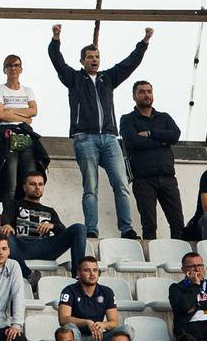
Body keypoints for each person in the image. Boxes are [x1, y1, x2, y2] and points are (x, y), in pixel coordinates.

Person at [47, 24, 151, 240]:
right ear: (82, 61)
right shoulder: (74, 78)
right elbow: (57, 61)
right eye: (90, 57)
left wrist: (144, 42)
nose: (94, 60)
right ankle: (92, 229)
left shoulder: (108, 78)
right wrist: (56, 38)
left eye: (97, 56)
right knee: (90, 187)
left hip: (110, 139)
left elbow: (130, 63)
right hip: (85, 138)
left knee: (121, 185)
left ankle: (127, 229)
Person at [117, 82, 181, 241]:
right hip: (143, 179)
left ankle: (181, 258)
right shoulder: (127, 119)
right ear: (134, 96)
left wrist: (151, 133)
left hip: (167, 177)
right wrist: (162, 141)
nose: (146, 95)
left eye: (149, 91)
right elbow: (133, 142)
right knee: (149, 224)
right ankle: (151, 261)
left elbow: (175, 135)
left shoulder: (164, 117)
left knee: (177, 222)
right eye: (142, 92)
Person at [0, 53, 47, 212]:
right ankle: (8, 218)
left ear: (21, 68)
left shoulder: (28, 90)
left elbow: (34, 112)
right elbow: (0, 114)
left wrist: (11, 110)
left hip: (25, 135)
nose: (13, 68)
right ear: (4, 69)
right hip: (7, 136)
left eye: (16, 65)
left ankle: (28, 215)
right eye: (9, 65)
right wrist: (24, 115)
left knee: (29, 180)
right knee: (10, 182)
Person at [6, 171, 87, 276]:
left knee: (79, 228)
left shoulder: (50, 211)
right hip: (22, 247)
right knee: (5, 233)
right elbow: (6, 217)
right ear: (24, 187)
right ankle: (28, 276)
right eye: (33, 184)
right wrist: (6, 224)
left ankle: (79, 275)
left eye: (40, 184)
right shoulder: (15, 204)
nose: (37, 187)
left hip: (45, 247)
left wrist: (52, 226)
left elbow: (63, 231)